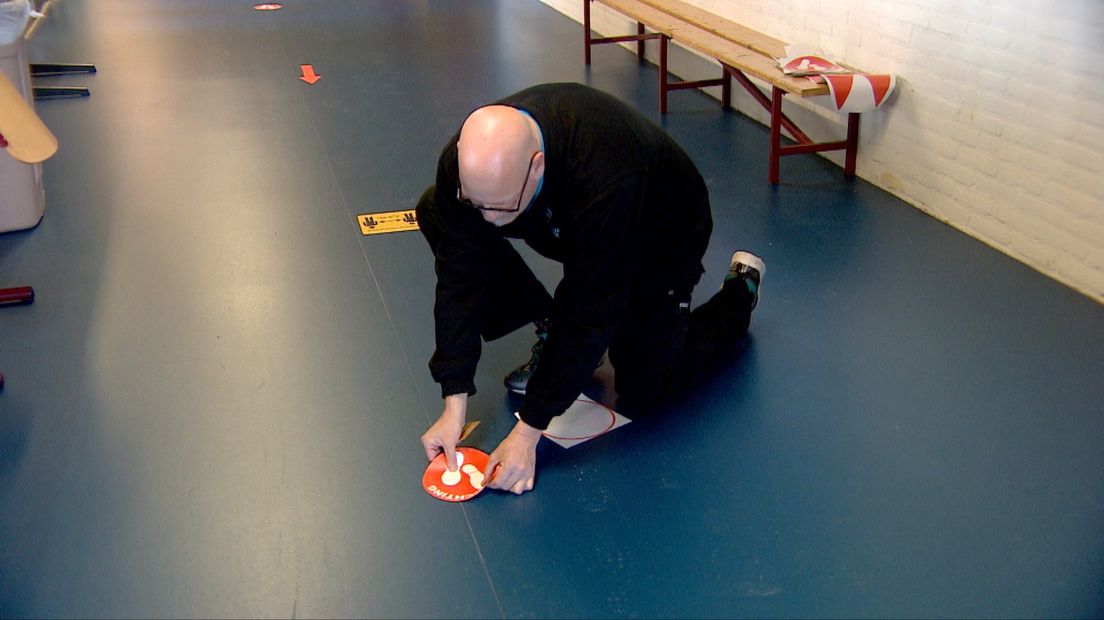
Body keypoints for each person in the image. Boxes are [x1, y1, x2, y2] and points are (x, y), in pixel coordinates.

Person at [416, 83, 764, 495]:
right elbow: (458, 277)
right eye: (477, 203)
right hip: (567, 219)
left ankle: (739, 291)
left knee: (644, 384)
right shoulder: (467, 164)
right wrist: (453, 401)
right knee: (439, 213)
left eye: (500, 207)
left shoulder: (605, 176)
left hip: (662, 231)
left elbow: (591, 308)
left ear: (537, 167)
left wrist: (528, 433)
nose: (489, 220)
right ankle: (549, 323)